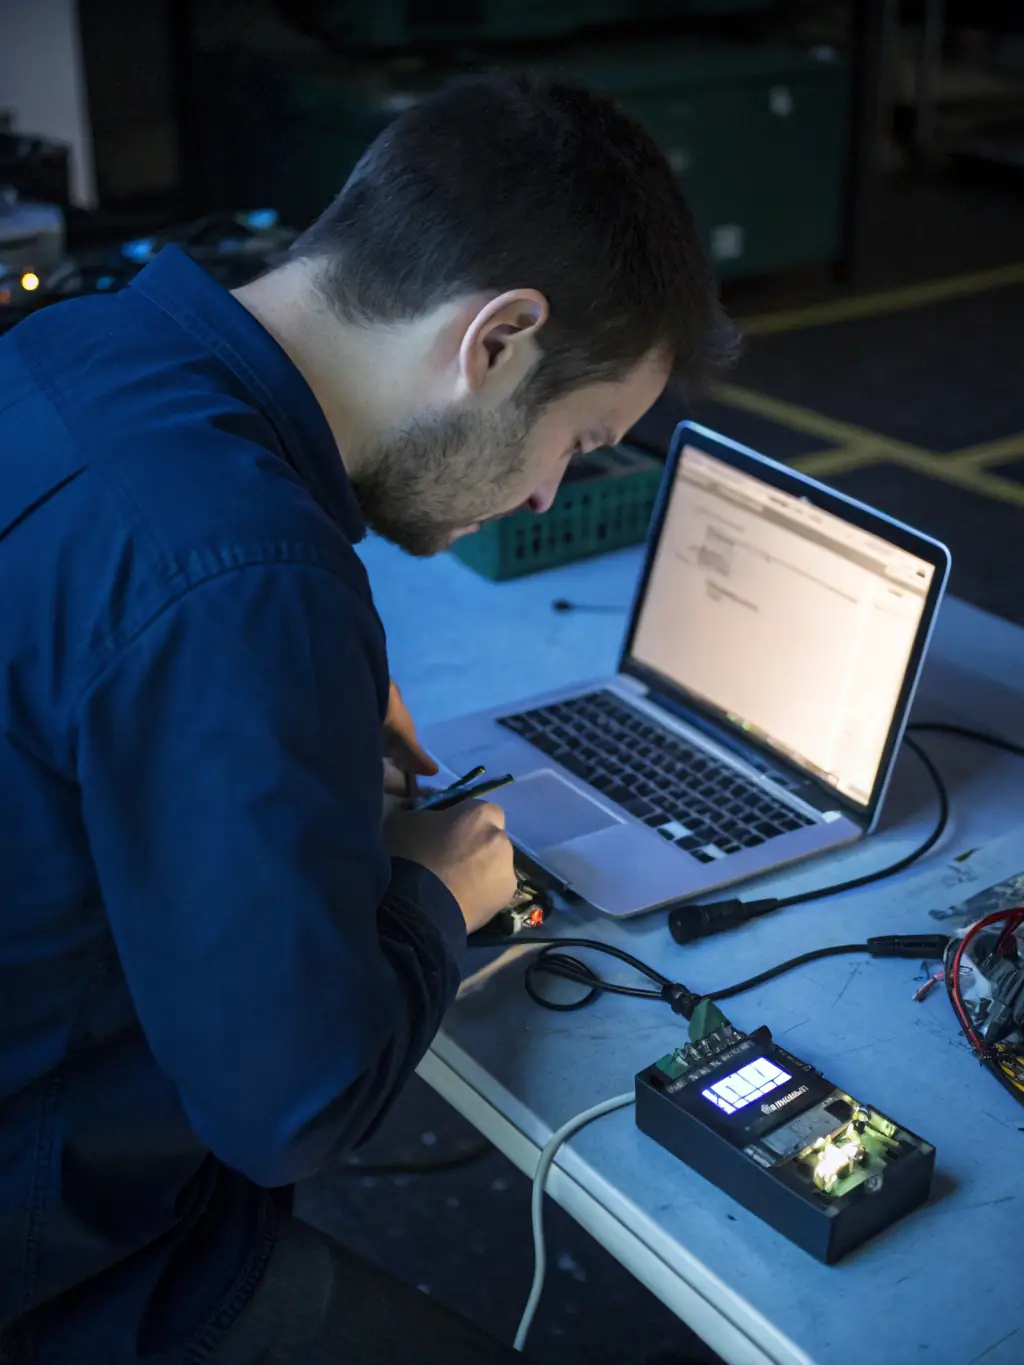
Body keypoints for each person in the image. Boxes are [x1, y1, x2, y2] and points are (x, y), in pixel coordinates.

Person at [0, 71, 735, 1364]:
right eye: (580, 438)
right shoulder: (244, 581)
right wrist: (434, 898)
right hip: (63, 1269)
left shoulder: (70, 346)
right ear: (497, 340)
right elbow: (289, 1107)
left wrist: (293, 696)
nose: (548, 497)